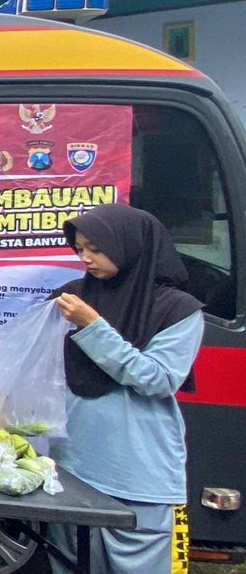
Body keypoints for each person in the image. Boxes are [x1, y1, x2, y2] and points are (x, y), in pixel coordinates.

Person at [47, 204, 203, 574]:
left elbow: (158, 379)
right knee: (71, 563)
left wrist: (93, 328)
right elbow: (41, 362)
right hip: (72, 465)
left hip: (137, 475)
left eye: (97, 249)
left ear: (130, 246)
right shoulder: (73, 296)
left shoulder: (177, 310)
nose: (86, 257)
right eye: (80, 248)